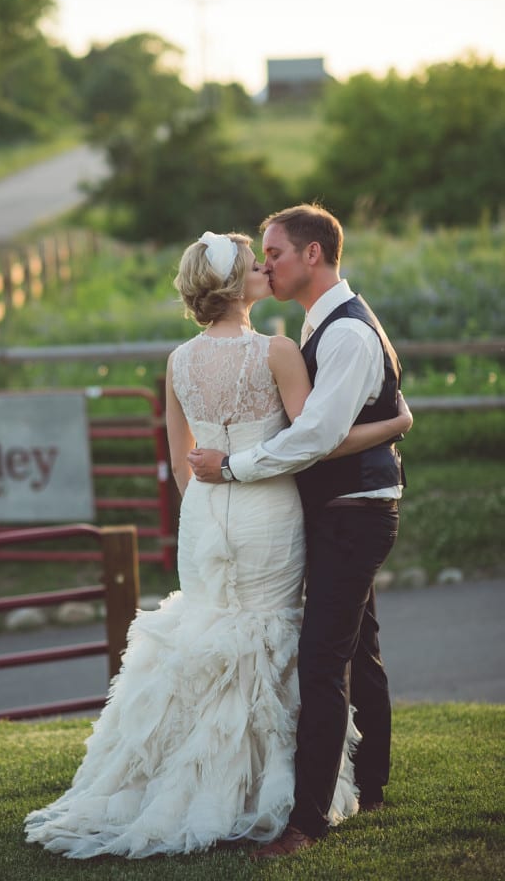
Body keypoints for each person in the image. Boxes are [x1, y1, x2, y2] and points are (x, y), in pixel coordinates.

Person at [24, 229, 411, 860]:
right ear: (239, 287)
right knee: (267, 633)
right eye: (256, 263)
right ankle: (264, 790)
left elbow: (182, 463)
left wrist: (206, 505)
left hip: (204, 509)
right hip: (268, 508)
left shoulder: (178, 361)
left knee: (208, 633)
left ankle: (187, 779)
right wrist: (395, 423)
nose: (265, 267)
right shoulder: (279, 350)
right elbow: (317, 438)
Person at [189, 206, 408, 858]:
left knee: (321, 660)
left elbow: (316, 436)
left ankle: (305, 824)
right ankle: (371, 785)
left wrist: (234, 467)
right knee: (359, 651)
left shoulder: (346, 336)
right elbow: (342, 426)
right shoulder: (324, 323)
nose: (267, 264)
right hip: (350, 507)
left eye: (275, 252)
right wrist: (396, 424)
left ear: (312, 255)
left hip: (355, 512)